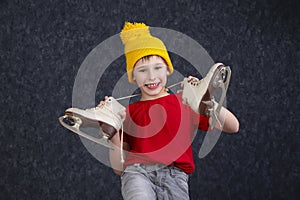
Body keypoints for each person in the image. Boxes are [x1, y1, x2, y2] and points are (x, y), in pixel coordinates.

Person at [100, 22, 239, 200]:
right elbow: (119, 168)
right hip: (137, 173)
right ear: (133, 76)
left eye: (157, 68)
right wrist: (111, 131)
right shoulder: (127, 113)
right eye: (142, 70)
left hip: (176, 176)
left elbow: (233, 126)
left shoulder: (185, 102)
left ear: (167, 70)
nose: (151, 76)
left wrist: (207, 102)